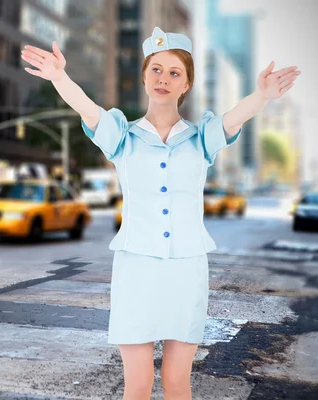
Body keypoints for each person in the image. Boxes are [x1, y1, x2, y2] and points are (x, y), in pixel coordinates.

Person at [21, 27, 300, 400]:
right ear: (143, 76)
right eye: (156, 69)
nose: (163, 79)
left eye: (174, 73)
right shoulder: (122, 136)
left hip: (187, 269)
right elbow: (87, 108)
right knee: (137, 385)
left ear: (186, 84)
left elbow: (235, 118)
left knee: (176, 381)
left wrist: (262, 95)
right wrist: (60, 77)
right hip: (135, 268)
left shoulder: (201, 138)